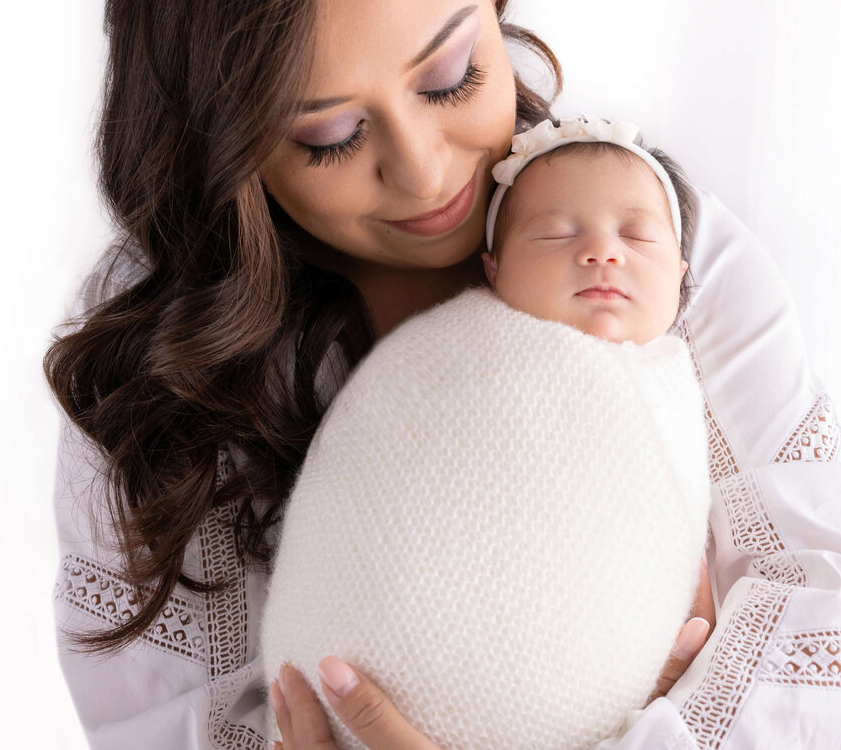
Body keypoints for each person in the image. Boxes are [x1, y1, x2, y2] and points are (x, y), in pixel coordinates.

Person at [46, 0, 841, 750]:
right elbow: (148, 723)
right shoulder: (160, 366)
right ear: (230, 153)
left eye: (451, 77)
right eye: (331, 136)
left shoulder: (645, 241)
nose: (426, 167)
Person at [260, 117, 715, 750]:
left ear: (684, 271)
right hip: (352, 674)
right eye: (556, 233)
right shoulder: (443, 355)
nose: (603, 252)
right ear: (493, 269)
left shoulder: (676, 386)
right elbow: (361, 481)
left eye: (637, 235)